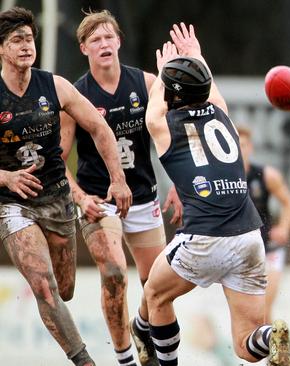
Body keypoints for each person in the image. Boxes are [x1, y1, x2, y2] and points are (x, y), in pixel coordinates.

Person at [142, 23, 290, 365]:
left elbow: (153, 113)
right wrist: (196, 57)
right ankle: (271, 336)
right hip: (251, 238)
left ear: (173, 93)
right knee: (246, 347)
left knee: (154, 294)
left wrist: (165, 72)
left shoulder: (168, 128)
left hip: (206, 237)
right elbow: (213, 93)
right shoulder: (224, 117)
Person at [0, 6, 131, 366]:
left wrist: (118, 180)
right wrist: (6, 176)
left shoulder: (54, 85)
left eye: (29, 39)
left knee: (64, 289)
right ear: (1, 49)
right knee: (44, 287)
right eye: (16, 40)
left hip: (56, 197)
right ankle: (85, 361)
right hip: (12, 203)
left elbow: (100, 128)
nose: (26, 46)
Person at [59, 10, 182, 366]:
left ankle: (144, 329)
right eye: (95, 39)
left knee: (158, 286)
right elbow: (58, 161)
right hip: (100, 201)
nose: (103, 44)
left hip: (144, 197)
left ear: (119, 42)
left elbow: (171, 136)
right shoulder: (75, 96)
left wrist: (177, 182)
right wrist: (81, 199)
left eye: (108, 37)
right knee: (114, 275)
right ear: (84, 48)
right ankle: (125, 358)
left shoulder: (144, 84)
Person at [237, 125, 290, 321]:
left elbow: (289, 203)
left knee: (263, 309)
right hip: (238, 252)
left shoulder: (267, 175)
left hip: (268, 248)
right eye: (234, 144)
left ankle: (276, 350)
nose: (239, 149)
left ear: (250, 147)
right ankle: (261, 349)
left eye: (243, 144)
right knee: (248, 313)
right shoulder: (219, 179)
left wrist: (284, 228)